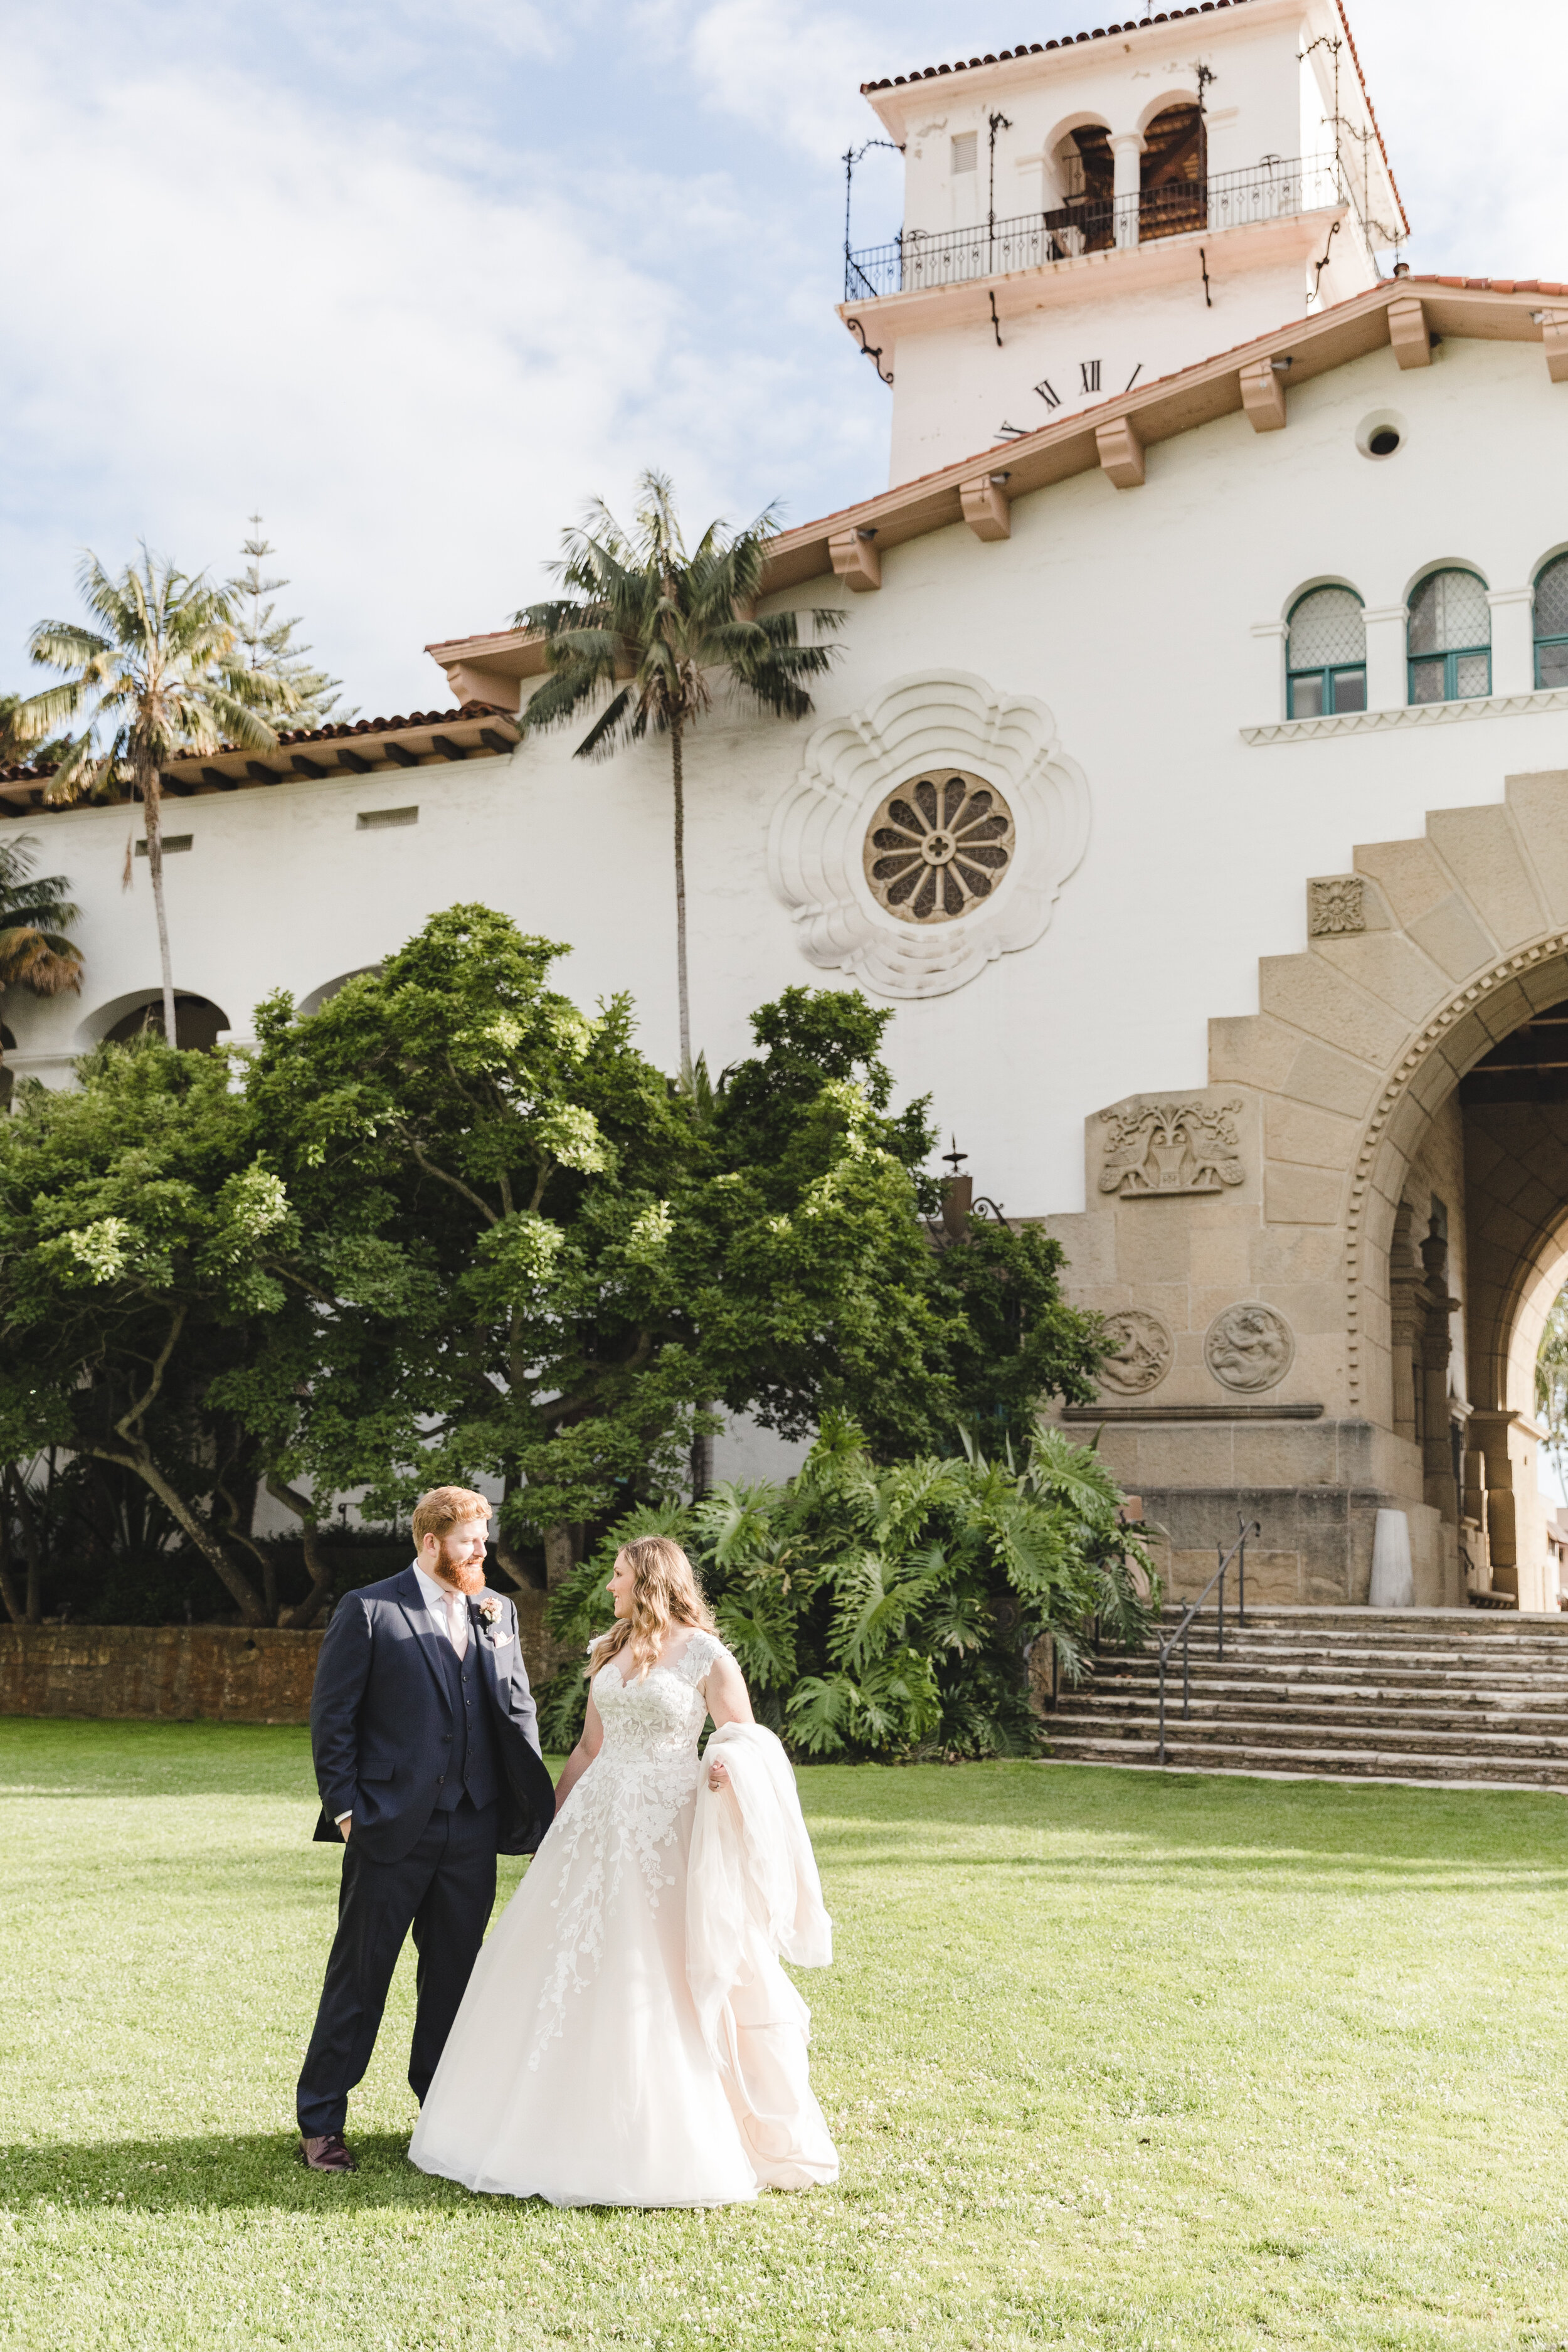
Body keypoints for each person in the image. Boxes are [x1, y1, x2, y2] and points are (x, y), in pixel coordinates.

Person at [409, 1534, 838, 2206]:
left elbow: (746, 1739)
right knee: (565, 1962)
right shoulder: (607, 1650)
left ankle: (670, 2134)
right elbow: (587, 1747)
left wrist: (724, 1768)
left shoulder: (706, 1655)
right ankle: (533, 2123)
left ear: (649, 1581)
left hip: (668, 1825)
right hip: (594, 1824)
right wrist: (549, 1824)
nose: (608, 1587)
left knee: (655, 1964)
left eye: (616, 1576)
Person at [295, 1486, 555, 2173]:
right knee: (359, 1977)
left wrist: (523, 1809)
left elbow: (518, 1710)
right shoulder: (369, 1609)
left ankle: (438, 2115)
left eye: (483, 1539)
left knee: (453, 1979)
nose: (481, 1552)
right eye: (470, 1540)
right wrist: (349, 1812)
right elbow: (334, 1719)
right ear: (431, 1541)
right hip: (387, 1828)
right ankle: (321, 2121)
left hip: (471, 1829)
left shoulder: (497, 1611)